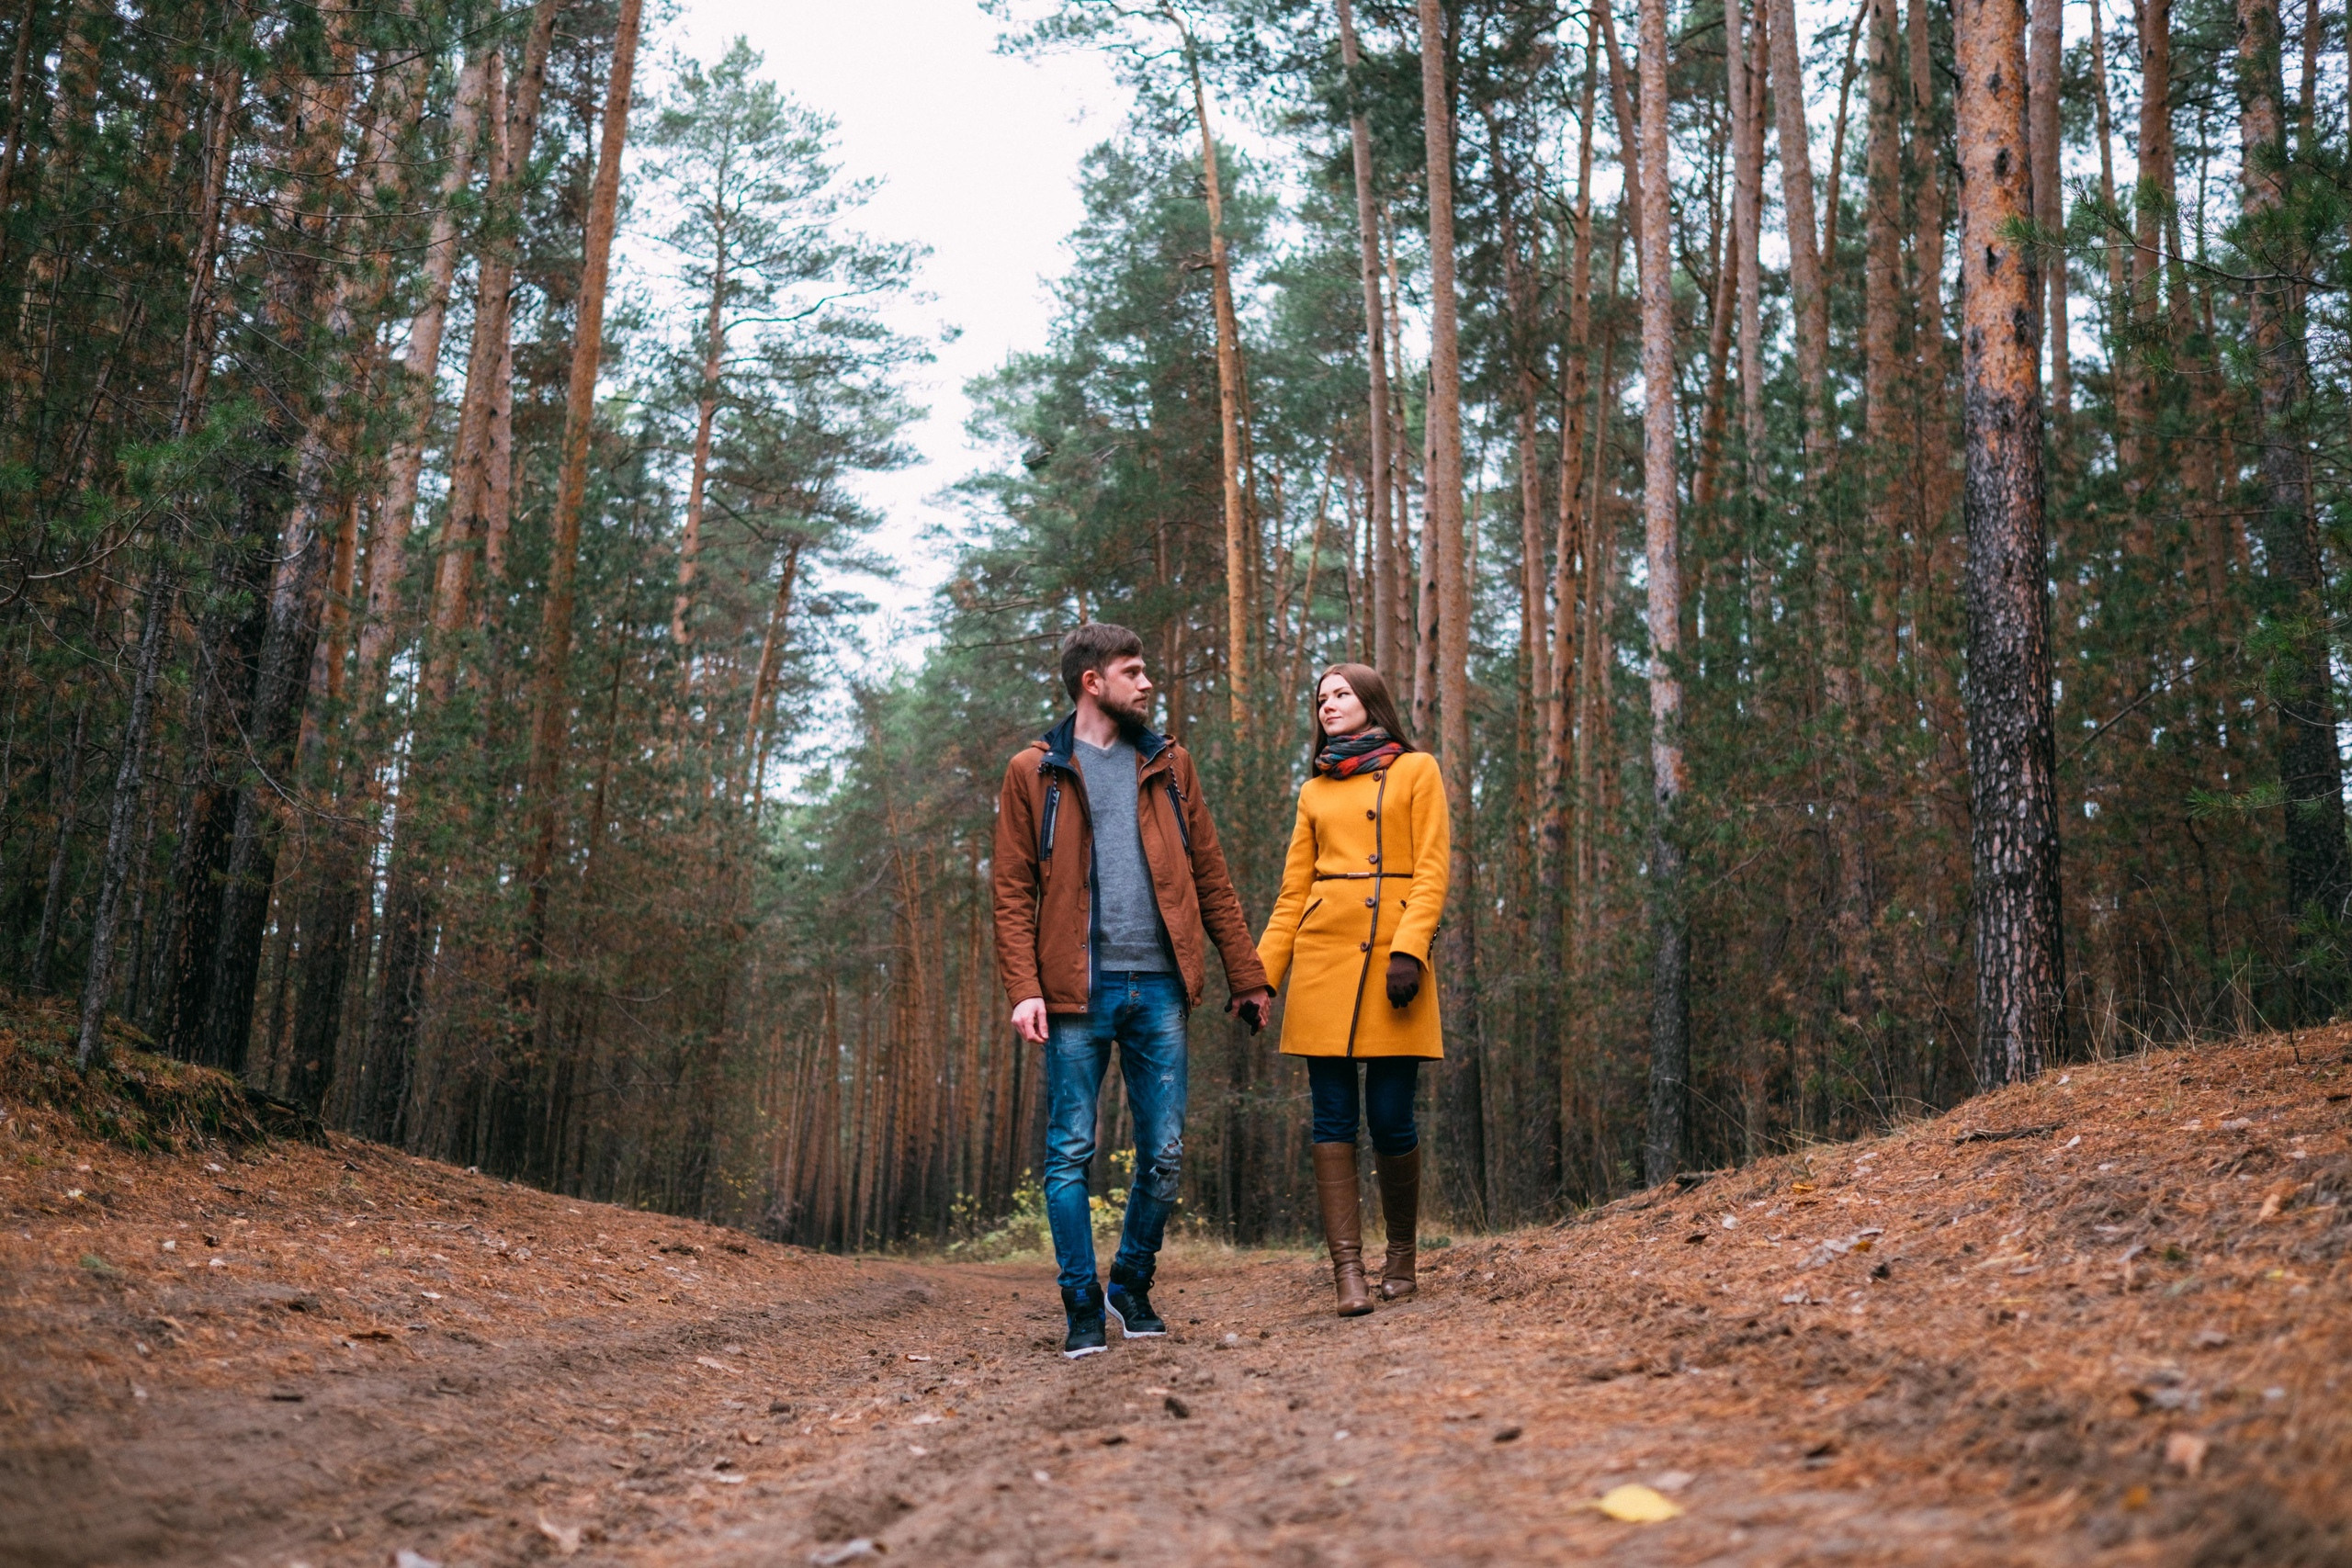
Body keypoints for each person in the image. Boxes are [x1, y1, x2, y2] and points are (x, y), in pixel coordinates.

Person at [992, 623, 1273, 1358]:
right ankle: (1081, 1301)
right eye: (1134, 671)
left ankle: (1131, 1280)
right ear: (1094, 681)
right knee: (1070, 1152)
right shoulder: (1036, 770)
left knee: (1166, 1151)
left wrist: (1246, 973)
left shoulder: (1170, 764)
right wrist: (1025, 987)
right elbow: (1013, 890)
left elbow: (1210, 875)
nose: (1148, 684)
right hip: (1073, 994)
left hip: (1159, 986)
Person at [1254, 663, 1448, 1316]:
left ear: (1371, 702)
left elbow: (1432, 869)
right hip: (1323, 963)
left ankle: (1401, 1257)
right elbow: (1292, 893)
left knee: (1391, 1116)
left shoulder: (1418, 770)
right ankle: (1348, 1271)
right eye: (1320, 698)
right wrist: (1261, 976)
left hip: (1396, 965)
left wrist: (1409, 949)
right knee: (1332, 1117)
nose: (1328, 705)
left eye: (1340, 694)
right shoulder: (1314, 791)